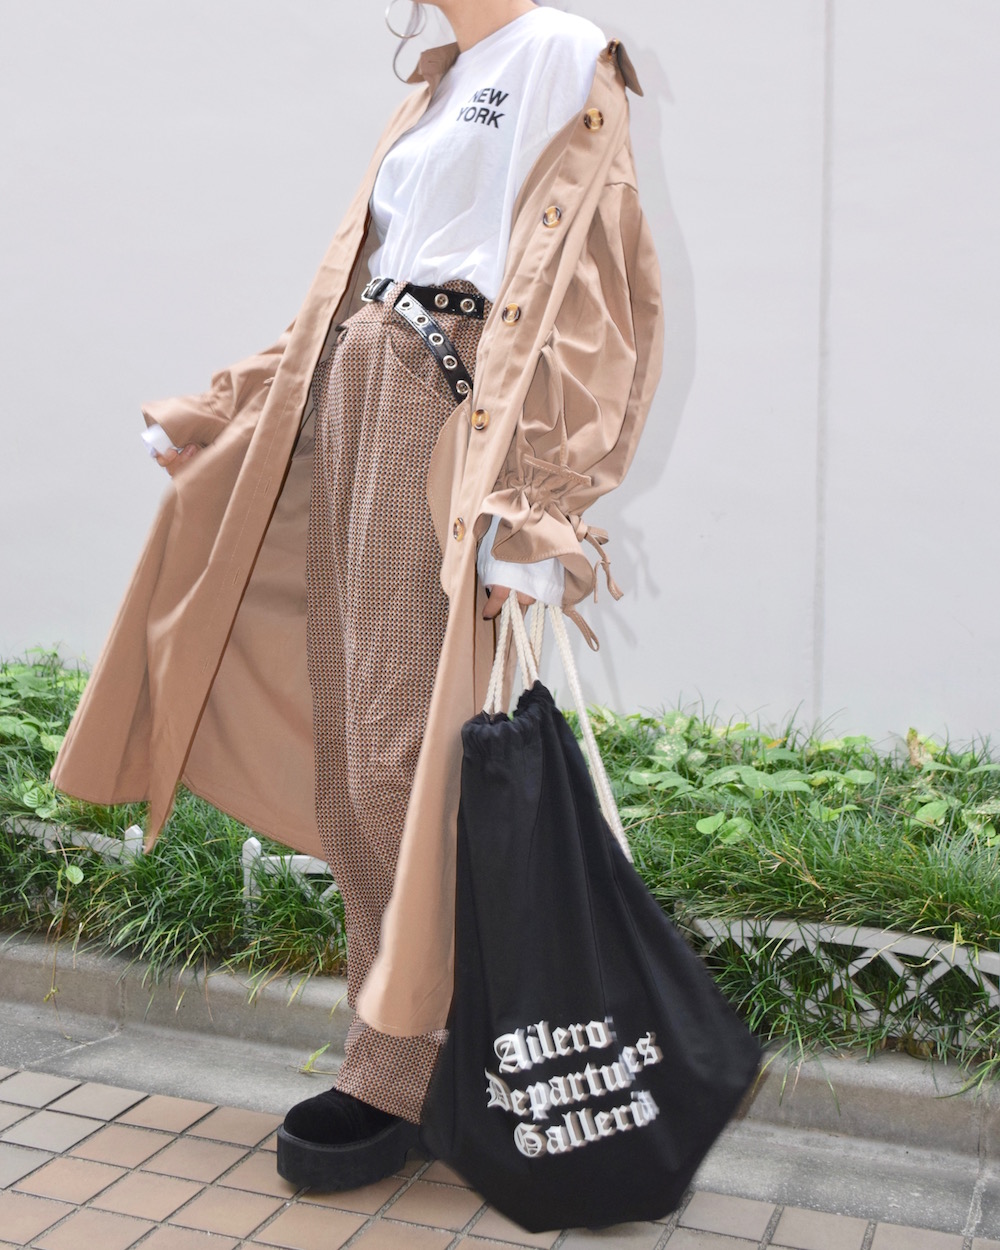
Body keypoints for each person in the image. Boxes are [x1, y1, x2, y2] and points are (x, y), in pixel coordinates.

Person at [51, 0, 663, 1192]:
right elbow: (351, 286)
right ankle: (397, 1052)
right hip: (354, 391)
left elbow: (598, 296)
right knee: (351, 750)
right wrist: (227, 404)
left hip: (434, 404)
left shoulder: (559, 51)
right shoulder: (441, 79)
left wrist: (540, 497)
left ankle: (416, 1064)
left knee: (395, 750)